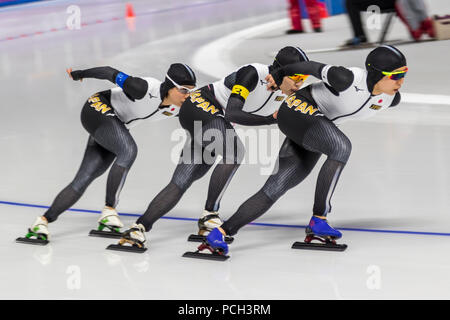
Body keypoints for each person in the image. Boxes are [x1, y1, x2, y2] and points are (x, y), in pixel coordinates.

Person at [203, 45, 407, 256]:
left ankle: (220, 233)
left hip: (313, 126)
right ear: (375, 74)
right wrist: (279, 73)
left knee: (277, 186)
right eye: (395, 76)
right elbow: (309, 66)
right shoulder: (346, 78)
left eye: (404, 74)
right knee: (341, 147)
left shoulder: (391, 99)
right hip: (297, 109)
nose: (401, 82)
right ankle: (319, 219)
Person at [115, 46, 310, 250]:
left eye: (304, 77)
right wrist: (270, 119)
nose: (300, 83)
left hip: (215, 119)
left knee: (183, 179)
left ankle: (138, 228)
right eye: (296, 76)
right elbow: (233, 113)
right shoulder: (252, 74)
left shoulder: (287, 90)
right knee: (234, 153)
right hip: (200, 105)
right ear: (279, 71)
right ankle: (210, 214)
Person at [18, 63, 197, 243]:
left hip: (113, 126)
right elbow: (108, 72)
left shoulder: (178, 107)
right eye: (183, 90)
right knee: (128, 150)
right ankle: (109, 210)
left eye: (191, 90)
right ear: (169, 85)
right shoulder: (142, 88)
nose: (187, 95)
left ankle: (41, 222)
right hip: (96, 109)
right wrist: (79, 74)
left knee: (85, 177)